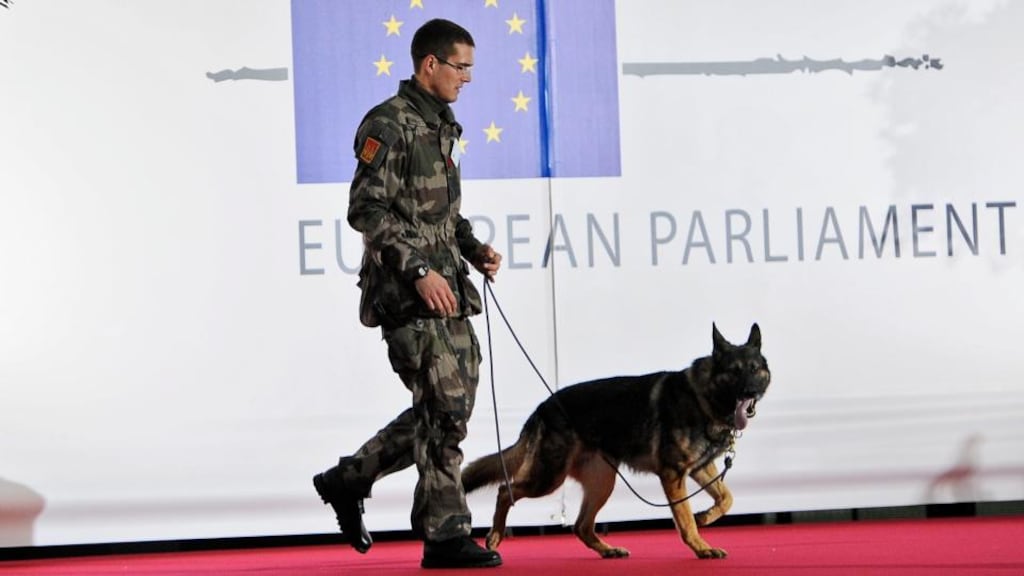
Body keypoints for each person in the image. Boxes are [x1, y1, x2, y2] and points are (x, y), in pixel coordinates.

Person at [313, 18, 504, 570]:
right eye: (461, 67)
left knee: (450, 406)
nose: (467, 79)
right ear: (430, 65)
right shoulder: (388, 124)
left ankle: (349, 479)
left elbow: (443, 214)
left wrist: (473, 250)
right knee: (443, 412)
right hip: (407, 292)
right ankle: (445, 537)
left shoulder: (444, 126)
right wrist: (419, 268)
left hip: (449, 288)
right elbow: (366, 209)